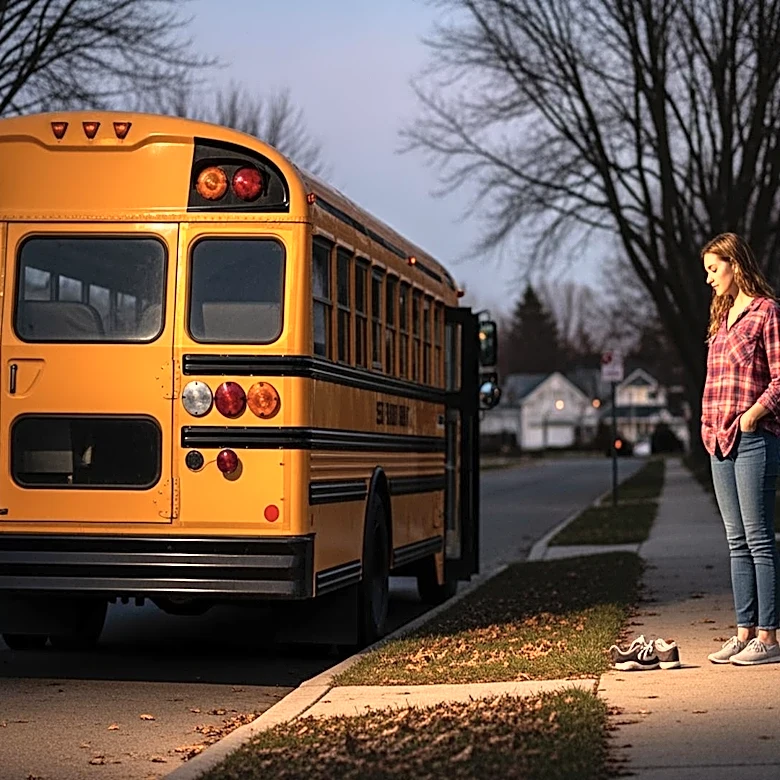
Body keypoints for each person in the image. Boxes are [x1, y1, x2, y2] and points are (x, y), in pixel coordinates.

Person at [701, 232, 780, 666]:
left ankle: (768, 638)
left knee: (759, 540)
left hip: (753, 439)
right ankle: (744, 631)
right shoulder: (721, 318)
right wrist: (708, 426)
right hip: (718, 442)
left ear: (735, 264)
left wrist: (752, 416)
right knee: (736, 542)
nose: (710, 279)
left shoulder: (766, 313)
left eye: (715, 269)